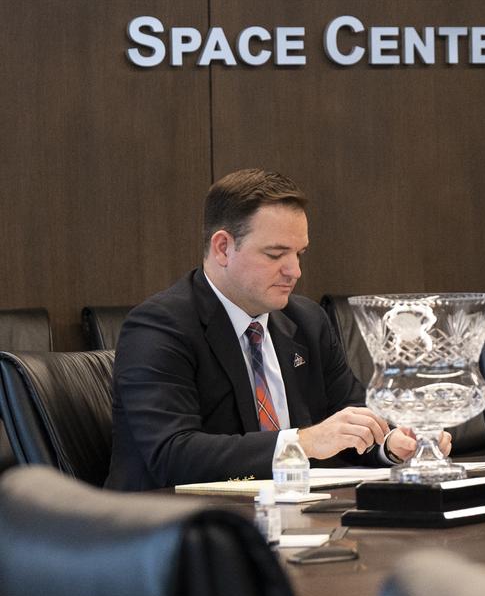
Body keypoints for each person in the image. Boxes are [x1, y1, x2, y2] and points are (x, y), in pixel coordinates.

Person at [107, 169, 448, 490]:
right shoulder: (160, 327)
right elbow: (172, 456)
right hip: (180, 533)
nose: (295, 271)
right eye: (275, 254)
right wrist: (302, 442)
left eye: (299, 253)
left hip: (299, 520)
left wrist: (391, 444)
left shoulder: (307, 322)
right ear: (223, 247)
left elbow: (352, 418)